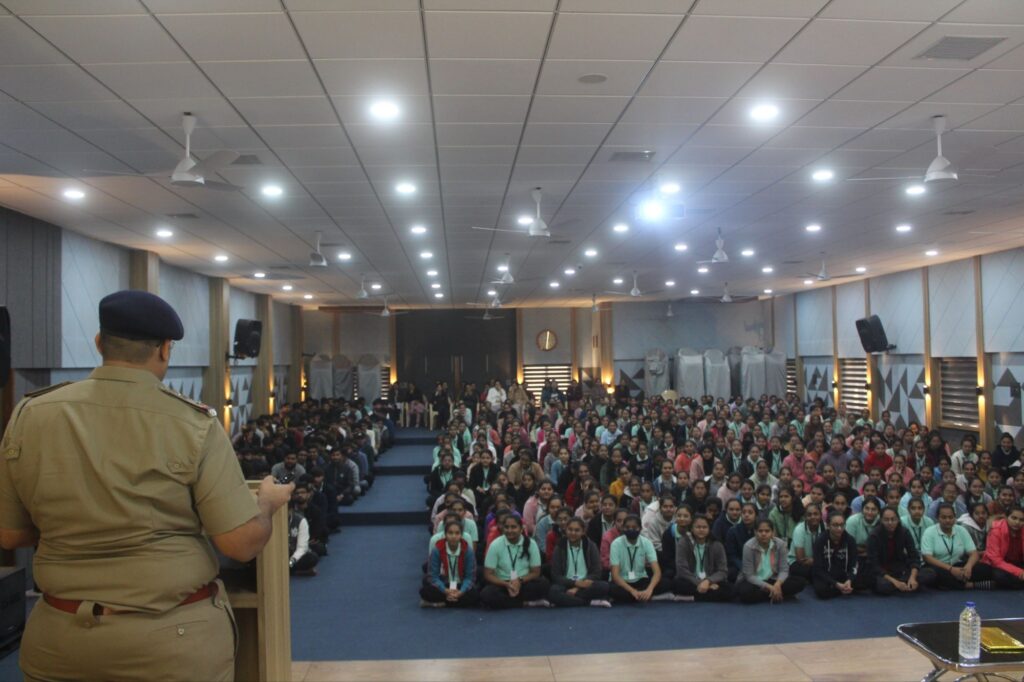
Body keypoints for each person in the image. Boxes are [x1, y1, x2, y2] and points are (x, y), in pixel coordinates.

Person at [0, 290, 294, 682]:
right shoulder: (193, 423)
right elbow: (239, 543)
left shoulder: (30, 414)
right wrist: (267, 504)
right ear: (165, 350)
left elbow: (11, 534)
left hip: (60, 637)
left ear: (100, 343)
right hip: (169, 641)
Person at [481, 515, 551, 609]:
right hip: (503, 583)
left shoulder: (531, 543)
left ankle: (510, 602)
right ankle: (526, 603)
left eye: (513, 527)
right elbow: (488, 574)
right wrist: (506, 584)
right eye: (506, 527)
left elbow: (536, 572)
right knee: (486, 594)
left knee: (544, 584)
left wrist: (519, 581)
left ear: (521, 529)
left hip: (523, 581)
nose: (509, 530)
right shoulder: (495, 544)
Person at [921, 503, 992, 590]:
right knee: (931, 575)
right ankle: (969, 585)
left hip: (957, 565)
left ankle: (952, 584)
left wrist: (968, 567)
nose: (948, 520)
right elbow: (927, 557)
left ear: (955, 517)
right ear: (937, 518)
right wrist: (951, 569)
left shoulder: (961, 530)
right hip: (939, 567)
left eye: (951, 517)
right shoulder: (929, 532)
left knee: (986, 569)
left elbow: (974, 553)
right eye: (944, 517)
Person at [736, 519, 808, 604]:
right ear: (755, 532)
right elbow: (749, 576)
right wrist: (769, 587)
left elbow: (784, 570)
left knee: (800, 582)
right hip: (756, 582)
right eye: (760, 531)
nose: (763, 534)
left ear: (772, 532)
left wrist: (777, 584)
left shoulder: (780, 544)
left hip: (774, 579)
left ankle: (770, 594)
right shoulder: (748, 546)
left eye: (767, 531)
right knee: (744, 592)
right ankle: (776, 594)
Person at [867, 507, 934, 596]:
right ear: (881, 521)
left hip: (901, 570)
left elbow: (914, 557)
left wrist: (912, 578)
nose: (890, 523)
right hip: (883, 573)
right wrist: (895, 582)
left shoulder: (904, 532)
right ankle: (904, 585)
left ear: (898, 520)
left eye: (893, 519)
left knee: (930, 573)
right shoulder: (874, 536)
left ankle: (905, 584)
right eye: (886, 520)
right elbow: (874, 565)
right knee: (882, 585)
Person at [608, 514, 673, 603]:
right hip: (622, 582)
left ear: (640, 529)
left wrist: (649, 589)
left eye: (634, 527)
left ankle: (640, 595)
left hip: (641, 579)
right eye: (627, 527)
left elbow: (657, 572)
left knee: (666, 583)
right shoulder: (616, 544)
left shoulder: (646, 542)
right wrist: (632, 591)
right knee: (610, 589)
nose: (631, 530)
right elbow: (615, 575)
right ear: (623, 528)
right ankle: (643, 596)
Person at [548, 518, 612, 607]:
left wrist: (577, 587)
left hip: (586, 583)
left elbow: (596, 572)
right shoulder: (559, 547)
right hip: (566, 584)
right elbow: (556, 575)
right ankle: (589, 602)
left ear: (583, 532)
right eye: (570, 529)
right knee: (553, 592)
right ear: (566, 530)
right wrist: (575, 583)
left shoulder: (591, 546)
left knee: (604, 586)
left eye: (577, 530)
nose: (573, 533)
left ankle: (569, 599)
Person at [673, 515, 733, 602]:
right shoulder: (683, 542)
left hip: (711, 580)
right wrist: (700, 583)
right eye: (698, 527)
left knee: (730, 589)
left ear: (709, 529)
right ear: (692, 529)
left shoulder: (717, 545)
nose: (701, 530)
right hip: (691, 581)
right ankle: (707, 595)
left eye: (704, 527)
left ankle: (693, 597)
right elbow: (681, 570)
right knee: (677, 584)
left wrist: (708, 581)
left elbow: (723, 571)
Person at [421, 521, 479, 608]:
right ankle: (454, 601)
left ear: (461, 535)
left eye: (457, 533)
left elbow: (470, 577)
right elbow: (433, 576)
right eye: (450, 533)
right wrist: (445, 591)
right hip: (445, 583)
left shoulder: (468, 550)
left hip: (461, 584)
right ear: (445, 534)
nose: (453, 536)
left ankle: (444, 602)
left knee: (475, 595)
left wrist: (461, 592)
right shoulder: (437, 549)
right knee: (424, 591)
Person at [811, 511, 867, 599]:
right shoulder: (820, 541)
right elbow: (818, 568)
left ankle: (843, 587)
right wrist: (836, 584)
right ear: (828, 526)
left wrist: (850, 579)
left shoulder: (850, 540)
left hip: (844, 575)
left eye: (842, 525)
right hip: (827, 575)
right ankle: (842, 589)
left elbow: (854, 563)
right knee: (821, 590)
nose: (839, 528)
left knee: (867, 581)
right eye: (835, 525)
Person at [981, 507, 1024, 589]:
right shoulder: (995, 530)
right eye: (1014, 518)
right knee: (1000, 576)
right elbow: (996, 561)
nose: (1017, 522)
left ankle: (992, 585)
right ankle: (981, 585)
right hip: (997, 565)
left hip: (1017, 563)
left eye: (1021, 520)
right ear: (1006, 517)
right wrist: (1019, 572)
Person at [788, 503, 823, 580]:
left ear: (821, 515)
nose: (813, 517)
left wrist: (815, 561)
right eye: (809, 515)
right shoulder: (799, 530)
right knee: (815, 572)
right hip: (798, 562)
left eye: (816, 514)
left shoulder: (825, 528)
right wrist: (819, 561)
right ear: (805, 517)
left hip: (817, 562)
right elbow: (801, 559)